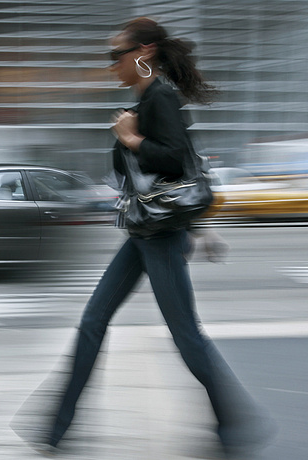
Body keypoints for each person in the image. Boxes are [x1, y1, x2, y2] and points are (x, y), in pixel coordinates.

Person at [19, 18, 273, 456]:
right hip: (144, 231)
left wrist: (132, 140)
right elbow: (166, 173)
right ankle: (55, 428)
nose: (111, 64)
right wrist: (129, 141)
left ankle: (235, 422)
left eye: (117, 54)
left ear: (145, 52)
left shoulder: (160, 97)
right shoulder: (145, 100)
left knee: (186, 336)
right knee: (94, 320)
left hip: (160, 236)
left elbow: (175, 160)